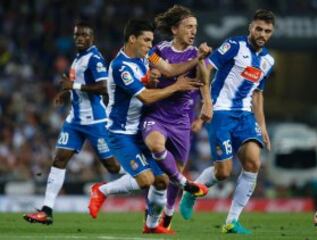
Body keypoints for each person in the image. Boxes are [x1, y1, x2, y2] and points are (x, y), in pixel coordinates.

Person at [87, 19, 206, 234]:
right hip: (121, 133)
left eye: (152, 40)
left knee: (161, 181)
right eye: (146, 40)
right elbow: (147, 97)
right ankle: (101, 190)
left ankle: (151, 227)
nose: (150, 45)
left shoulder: (148, 56)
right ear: (132, 39)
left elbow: (169, 69)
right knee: (147, 180)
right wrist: (176, 87)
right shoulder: (120, 66)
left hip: (139, 127)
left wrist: (198, 58)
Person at [179, 9, 276, 234]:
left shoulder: (268, 60)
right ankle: (191, 191)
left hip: (244, 114)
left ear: (271, 33)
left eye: (267, 31)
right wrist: (206, 103)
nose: (262, 33)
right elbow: (207, 69)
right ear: (251, 27)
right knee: (223, 172)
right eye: (259, 28)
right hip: (221, 111)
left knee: (253, 163)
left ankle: (232, 221)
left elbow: (257, 94)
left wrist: (262, 126)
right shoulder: (234, 45)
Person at [23, 21, 121, 225]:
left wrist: (73, 85)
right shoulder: (78, 59)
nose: (80, 38)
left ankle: (146, 177)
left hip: (95, 120)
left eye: (84, 35)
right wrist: (66, 93)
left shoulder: (94, 58)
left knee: (112, 167)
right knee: (59, 160)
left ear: (92, 38)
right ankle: (46, 210)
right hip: (74, 121)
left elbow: (104, 87)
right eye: (77, 35)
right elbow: (78, 88)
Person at [141, 5, 213, 230]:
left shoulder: (197, 54)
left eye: (196, 27)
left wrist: (207, 104)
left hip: (182, 121)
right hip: (157, 114)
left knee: (172, 174)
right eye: (188, 27)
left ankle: (167, 216)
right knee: (155, 144)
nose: (193, 31)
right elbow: (166, 71)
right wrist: (151, 78)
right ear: (174, 29)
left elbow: (203, 81)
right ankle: (182, 187)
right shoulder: (156, 50)